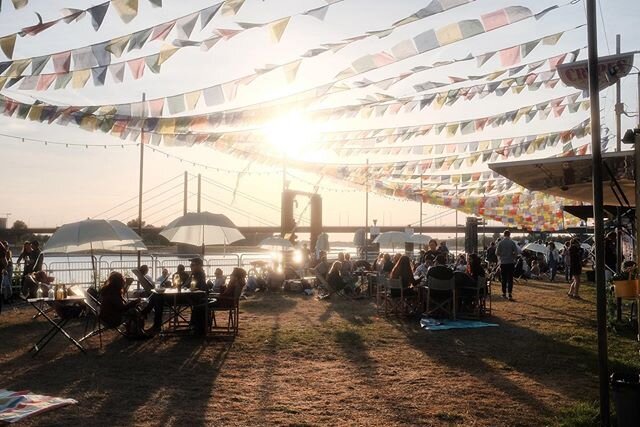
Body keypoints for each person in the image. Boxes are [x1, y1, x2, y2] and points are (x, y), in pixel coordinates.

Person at [98, 272, 146, 337]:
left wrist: (132, 303)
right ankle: (138, 332)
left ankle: (133, 330)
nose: (124, 282)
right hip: (112, 320)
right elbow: (122, 308)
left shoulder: (108, 290)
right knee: (134, 311)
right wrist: (134, 302)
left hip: (106, 317)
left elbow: (119, 307)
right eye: (122, 280)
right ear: (118, 282)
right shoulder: (113, 293)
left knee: (133, 309)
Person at [496, 229, 518, 300]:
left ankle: (504, 293)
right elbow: (516, 252)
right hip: (511, 262)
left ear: (504, 235)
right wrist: (513, 257)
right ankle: (510, 294)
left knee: (504, 278)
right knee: (510, 278)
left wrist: (502, 255)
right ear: (509, 235)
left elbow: (497, 253)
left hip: (503, 263)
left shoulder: (500, 243)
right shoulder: (512, 242)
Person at [1, 241, 13, 305]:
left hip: (8, 269)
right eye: (5, 245)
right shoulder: (2, 252)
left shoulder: (9, 252)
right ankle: (6, 298)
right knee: (5, 285)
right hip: (4, 270)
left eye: (7, 246)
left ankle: (8, 298)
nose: (6, 247)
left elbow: (9, 261)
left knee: (8, 284)